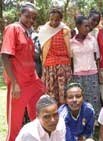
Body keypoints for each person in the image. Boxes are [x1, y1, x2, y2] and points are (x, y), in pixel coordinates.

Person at [1, 2, 45, 140]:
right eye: (27, 16)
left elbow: (28, 59)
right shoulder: (12, 29)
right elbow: (5, 56)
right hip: (19, 83)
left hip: (32, 81)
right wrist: (14, 83)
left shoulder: (28, 33)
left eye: (33, 18)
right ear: (20, 14)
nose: (30, 20)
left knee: (38, 116)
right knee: (15, 124)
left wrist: (37, 79)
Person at [38, 7, 72, 105]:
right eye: (51, 19)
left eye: (57, 20)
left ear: (61, 19)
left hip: (63, 66)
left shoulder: (65, 31)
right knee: (51, 92)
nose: (54, 22)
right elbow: (42, 50)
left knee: (64, 91)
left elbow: (69, 49)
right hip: (49, 67)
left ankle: (64, 113)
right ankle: (52, 112)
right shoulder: (44, 31)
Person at [70, 15, 102, 119]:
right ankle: (81, 119)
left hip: (92, 73)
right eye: (86, 26)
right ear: (78, 27)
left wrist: (99, 73)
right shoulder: (71, 42)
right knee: (80, 98)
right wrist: (71, 74)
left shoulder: (92, 39)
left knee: (94, 98)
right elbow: (71, 60)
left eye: (89, 26)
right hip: (78, 75)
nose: (88, 29)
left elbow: (96, 57)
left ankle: (95, 120)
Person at [88, 10, 103, 83]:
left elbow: (97, 55)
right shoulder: (76, 31)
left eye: (97, 21)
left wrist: (99, 72)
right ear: (88, 18)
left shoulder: (97, 32)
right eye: (93, 20)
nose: (95, 23)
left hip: (93, 67)